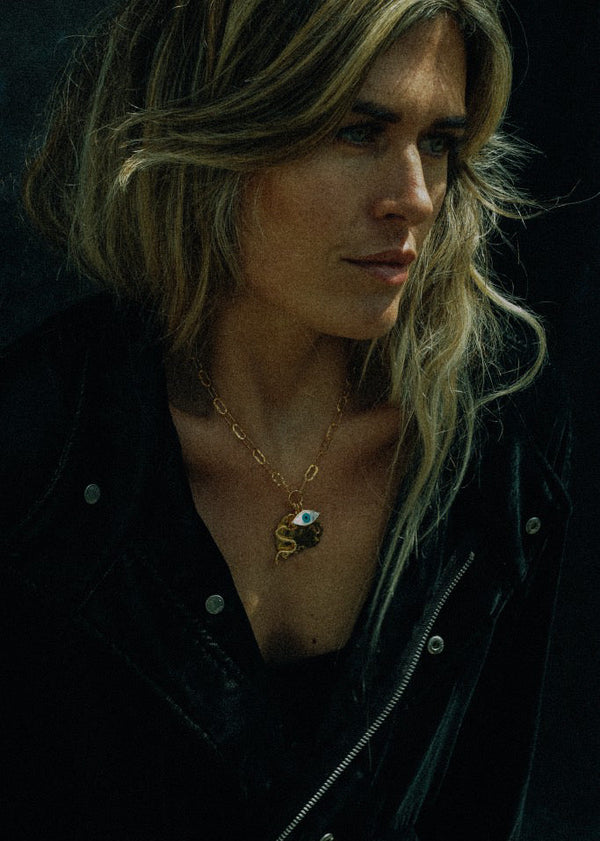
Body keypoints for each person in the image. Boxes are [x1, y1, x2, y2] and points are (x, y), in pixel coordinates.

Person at [2, 0, 571, 839]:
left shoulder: (489, 448)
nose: (413, 197)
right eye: (355, 132)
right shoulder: (42, 448)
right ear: (219, 135)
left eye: (439, 143)